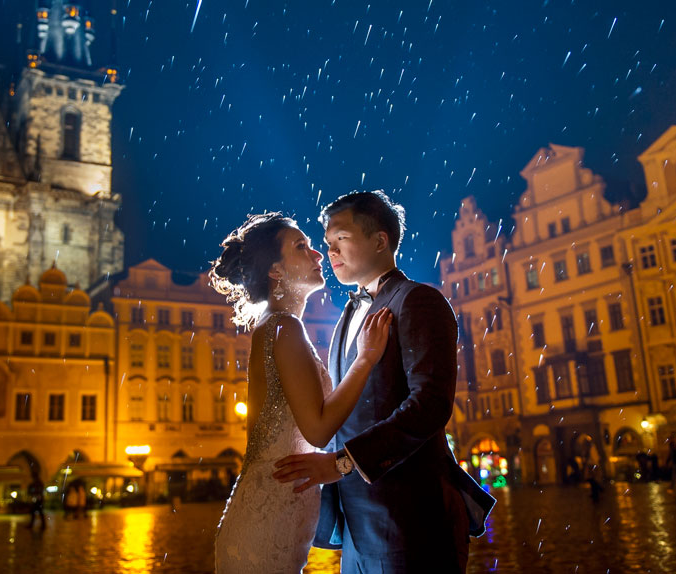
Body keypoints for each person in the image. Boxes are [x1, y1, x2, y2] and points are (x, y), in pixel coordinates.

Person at [273, 191, 495, 573]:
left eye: (340, 239)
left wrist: (342, 463)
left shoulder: (418, 301)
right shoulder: (346, 317)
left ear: (380, 240)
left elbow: (430, 406)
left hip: (411, 514)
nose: (331, 252)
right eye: (327, 244)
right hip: (356, 525)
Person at [212, 212, 393, 573]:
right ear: (275, 271)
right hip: (268, 523)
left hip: (270, 514)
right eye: (301, 247)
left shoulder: (278, 326)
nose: (317, 254)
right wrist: (367, 358)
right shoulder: (285, 327)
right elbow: (318, 429)